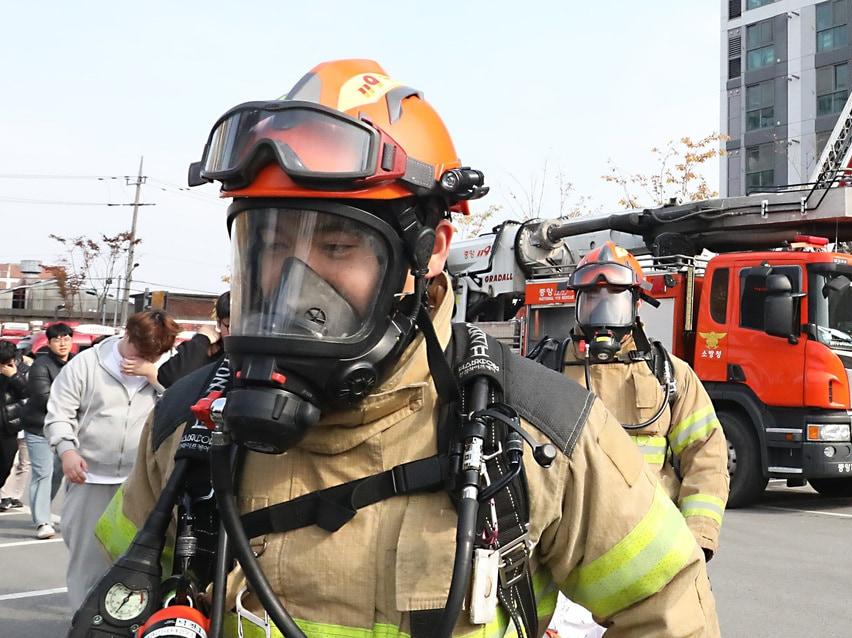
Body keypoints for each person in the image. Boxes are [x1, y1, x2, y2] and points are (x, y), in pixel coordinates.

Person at [96, 59, 719, 637]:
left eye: (337, 246)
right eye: (272, 244)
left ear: (429, 250)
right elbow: (123, 592)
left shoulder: (534, 430)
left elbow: (667, 609)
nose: (293, 283)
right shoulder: (190, 425)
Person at [546, 243, 729, 637]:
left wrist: (696, 539)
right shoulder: (546, 370)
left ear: (637, 307)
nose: (602, 316)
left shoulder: (671, 377)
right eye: (592, 302)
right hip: (562, 559)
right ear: (576, 303)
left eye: (614, 303)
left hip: (651, 557)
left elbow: (708, 459)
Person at [46, 309, 178, 610]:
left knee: (142, 561)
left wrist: (153, 374)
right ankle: (85, 624)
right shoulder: (87, 364)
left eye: (153, 355)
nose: (145, 357)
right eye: (140, 350)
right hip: (90, 478)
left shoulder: (164, 368)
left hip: (142, 482)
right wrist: (67, 450)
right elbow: (58, 413)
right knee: (88, 562)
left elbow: (182, 401)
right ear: (127, 334)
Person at [21, 322, 73, 538]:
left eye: (66, 338)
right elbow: (44, 397)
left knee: (58, 473)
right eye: (57, 339)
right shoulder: (40, 365)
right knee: (43, 473)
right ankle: (42, 521)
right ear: (49, 343)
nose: (62, 343)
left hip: (66, 427)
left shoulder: (76, 363)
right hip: (39, 426)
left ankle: (43, 510)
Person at [158, 291, 231, 387]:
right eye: (230, 326)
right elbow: (170, 378)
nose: (238, 333)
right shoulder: (210, 350)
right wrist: (202, 339)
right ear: (219, 323)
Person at [0, 341, 28, 511]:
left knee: (5, 466)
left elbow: (28, 392)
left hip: (8, 427)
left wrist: (14, 376)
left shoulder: (22, 370)